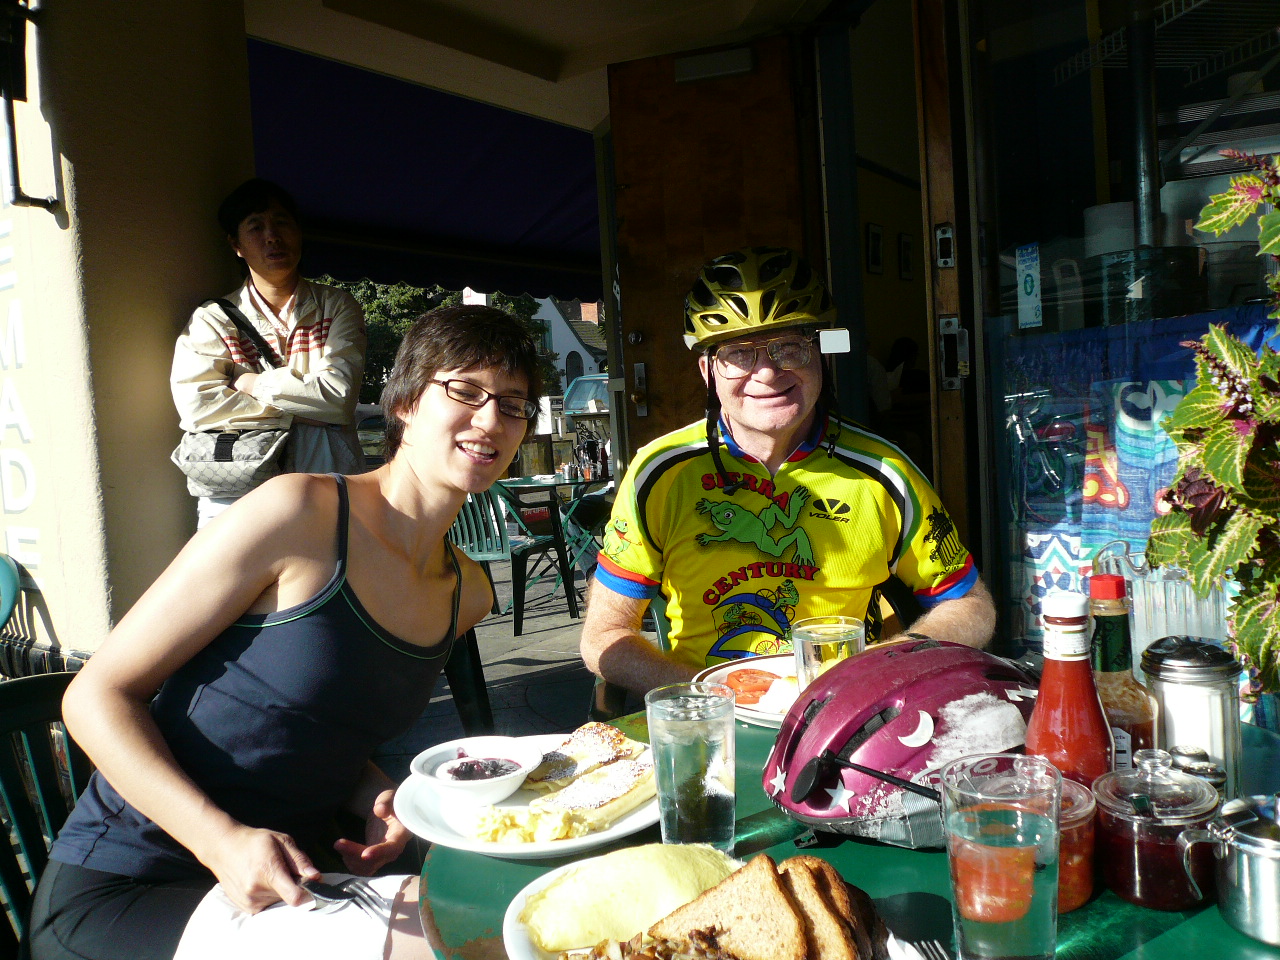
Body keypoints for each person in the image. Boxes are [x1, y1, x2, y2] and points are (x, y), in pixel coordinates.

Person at [29, 305, 543, 960]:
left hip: (291, 880)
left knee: (528, 905)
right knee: (489, 935)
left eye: (514, 405)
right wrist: (220, 840)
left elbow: (308, 724)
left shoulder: (466, 590)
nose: (491, 419)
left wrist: (377, 796)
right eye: (464, 391)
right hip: (134, 885)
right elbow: (95, 696)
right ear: (408, 402)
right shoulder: (298, 514)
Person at [579, 246, 995, 694]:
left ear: (823, 356)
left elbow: (972, 605)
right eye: (739, 354)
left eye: (789, 347)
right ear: (707, 371)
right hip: (713, 717)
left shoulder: (883, 471)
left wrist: (889, 662)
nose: (767, 373)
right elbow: (603, 637)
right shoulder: (659, 474)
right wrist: (709, 699)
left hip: (844, 709)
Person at [171, 178, 368, 528]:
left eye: (281, 223)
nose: (272, 236)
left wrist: (249, 382)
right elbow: (198, 407)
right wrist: (305, 411)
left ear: (299, 232)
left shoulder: (336, 306)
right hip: (237, 496)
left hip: (325, 483)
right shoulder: (213, 320)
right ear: (236, 245)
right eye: (256, 227)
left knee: (328, 581)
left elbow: (338, 400)